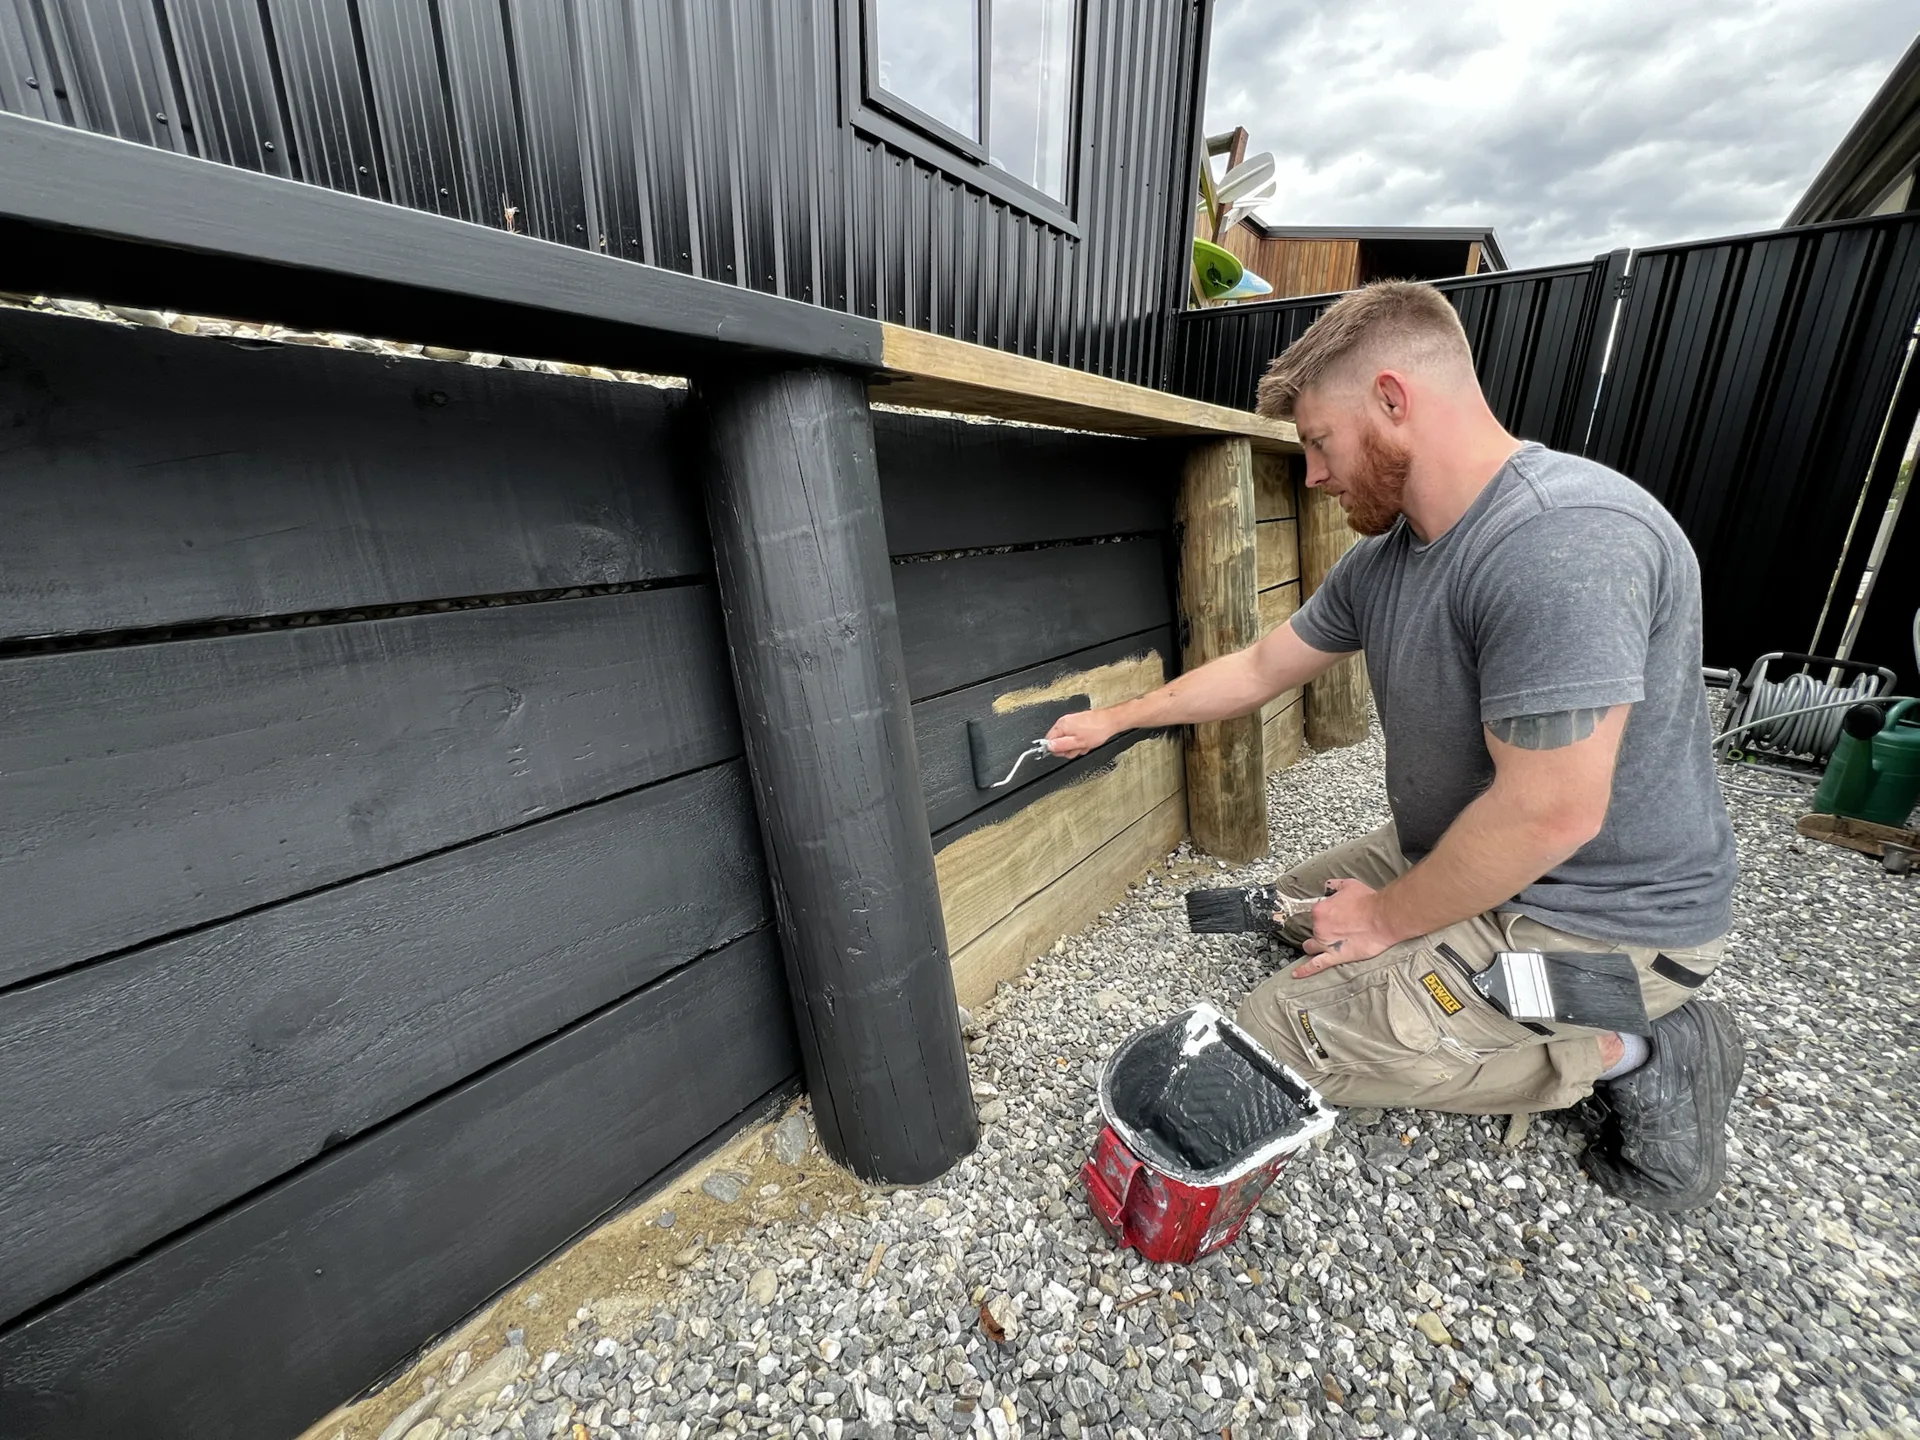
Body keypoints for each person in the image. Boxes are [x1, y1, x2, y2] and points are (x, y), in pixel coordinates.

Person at [1045, 281, 1743, 1212]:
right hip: (1465, 849)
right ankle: (1429, 955)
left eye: (1320, 444)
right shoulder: (1389, 558)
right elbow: (1259, 668)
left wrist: (1384, 920)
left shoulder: (1561, 541)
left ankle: (1645, 1047)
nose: (1315, 477)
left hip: (1604, 921)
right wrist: (1116, 718)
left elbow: (1552, 811)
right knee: (1290, 910)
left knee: (1277, 1030)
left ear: (1391, 398)